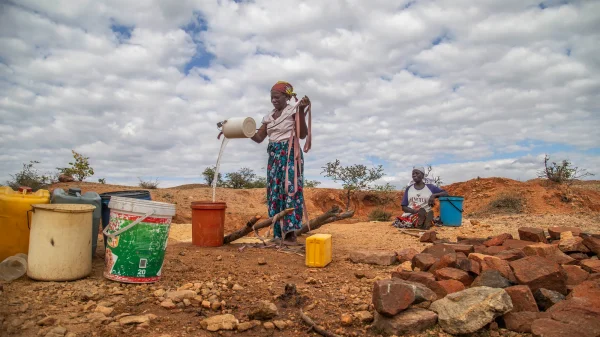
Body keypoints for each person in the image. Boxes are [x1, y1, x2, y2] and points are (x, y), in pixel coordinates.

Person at [251, 81, 311, 244]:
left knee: (290, 189)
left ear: (286, 97)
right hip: (274, 155)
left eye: (277, 97)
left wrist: (300, 111)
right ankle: (277, 233)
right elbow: (258, 138)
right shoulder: (268, 117)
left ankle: (291, 234)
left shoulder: (293, 110)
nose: (274, 100)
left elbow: (302, 134)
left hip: (290, 152)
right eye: (272, 98)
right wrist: (245, 129)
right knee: (274, 192)